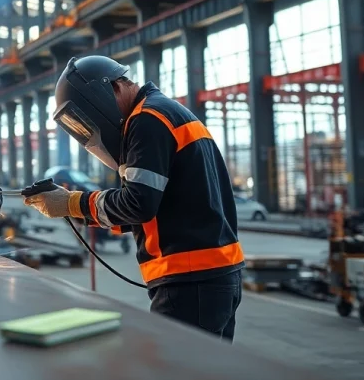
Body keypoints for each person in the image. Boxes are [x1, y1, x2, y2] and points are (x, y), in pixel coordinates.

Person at [23, 55, 244, 342]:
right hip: (212, 276)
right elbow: (155, 208)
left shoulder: (147, 119)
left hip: (191, 280)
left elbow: (138, 203)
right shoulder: (168, 112)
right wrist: (75, 208)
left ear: (111, 89)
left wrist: (70, 203)